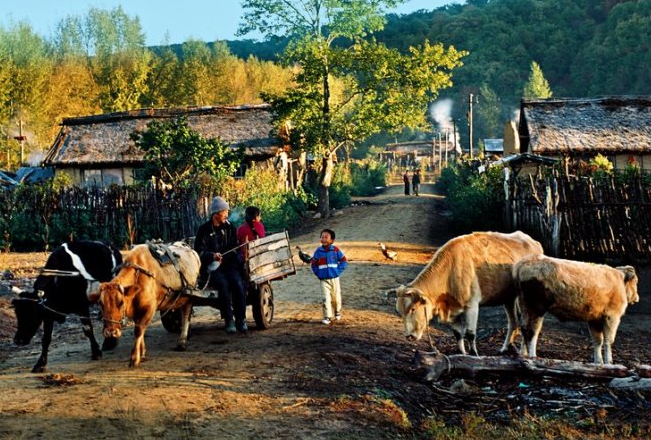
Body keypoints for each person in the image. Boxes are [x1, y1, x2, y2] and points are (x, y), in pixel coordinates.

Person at [194, 196, 248, 334]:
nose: (227, 215)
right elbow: (198, 251)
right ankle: (229, 320)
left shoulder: (230, 228)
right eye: (225, 212)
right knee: (222, 285)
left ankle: (241, 319)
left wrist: (227, 256)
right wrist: (212, 256)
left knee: (237, 283)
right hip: (212, 269)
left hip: (229, 265)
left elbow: (235, 247)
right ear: (216, 214)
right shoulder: (204, 230)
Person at [310, 228, 347, 325]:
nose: (323, 239)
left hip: (334, 278)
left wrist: (338, 271)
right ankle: (327, 316)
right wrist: (318, 273)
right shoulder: (318, 251)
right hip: (323, 279)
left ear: (332, 240)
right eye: (322, 237)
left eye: (326, 237)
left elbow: (343, 261)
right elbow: (313, 264)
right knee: (326, 298)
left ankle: (337, 312)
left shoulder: (335, 250)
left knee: (336, 298)